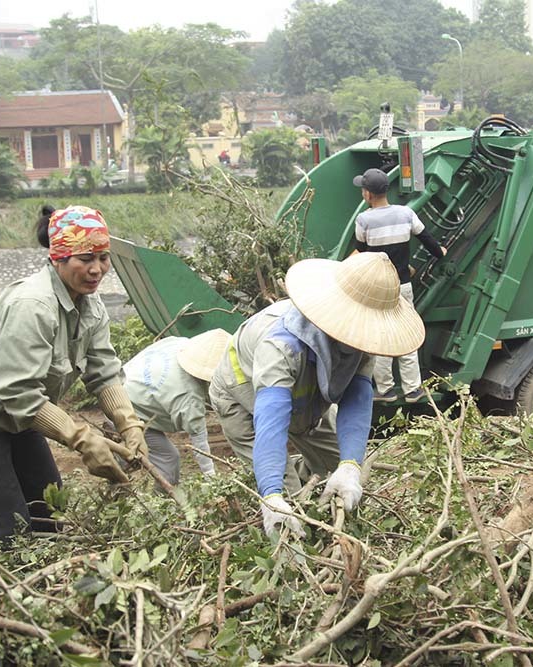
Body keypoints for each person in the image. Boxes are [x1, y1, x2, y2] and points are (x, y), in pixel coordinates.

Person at [0, 204, 149, 540]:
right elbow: (17, 394)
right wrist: (81, 438)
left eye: (103, 257)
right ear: (58, 258)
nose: (96, 269)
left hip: (18, 413)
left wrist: (129, 424)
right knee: (13, 527)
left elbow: (104, 371)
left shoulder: (90, 304)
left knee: (50, 506)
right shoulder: (33, 306)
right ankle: (11, 575)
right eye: (85, 259)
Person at [209, 252, 425, 537]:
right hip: (243, 397)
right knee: (288, 502)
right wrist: (272, 496)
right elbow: (271, 420)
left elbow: (356, 399)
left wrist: (349, 465)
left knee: (342, 480)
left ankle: (312, 488)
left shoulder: (363, 340)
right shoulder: (280, 347)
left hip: (307, 399)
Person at [352, 167, 446, 403]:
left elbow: (361, 251)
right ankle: (413, 390)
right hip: (403, 286)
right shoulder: (406, 214)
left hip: (378, 289)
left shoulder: (364, 220)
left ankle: (385, 391)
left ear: (367, 194)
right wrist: (440, 252)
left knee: (379, 337)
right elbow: (427, 239)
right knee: (406, 333)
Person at [120, 328, 232, 483]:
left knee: (135, 454)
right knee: (168, 458)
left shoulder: (178, 343)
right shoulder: (188, 397)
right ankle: (164, 501)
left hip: (115, 386)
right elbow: (200, 443)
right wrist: (212, 479)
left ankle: (117, 467)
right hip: (125, 411)